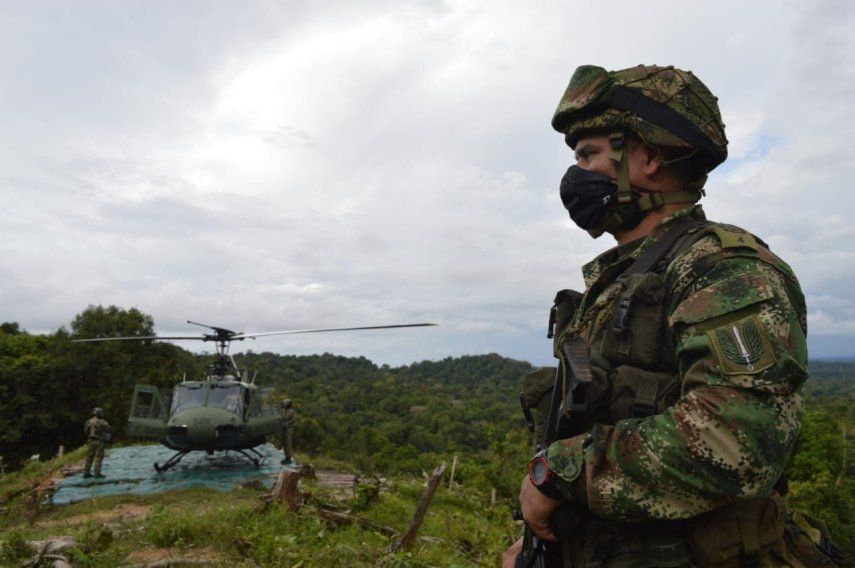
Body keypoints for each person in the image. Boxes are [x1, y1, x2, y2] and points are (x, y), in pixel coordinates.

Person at [505, 65, 812, 567]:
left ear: (647, 156)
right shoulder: (625, 278)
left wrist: (558, 471)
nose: (574, 174)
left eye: (589, 154)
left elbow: (739, 441)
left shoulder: (723, 270)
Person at [83, 407, 111, 479]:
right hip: (99, 441)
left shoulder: (88, 421)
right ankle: (97, 473)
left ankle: (86, 472)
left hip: (90, 441)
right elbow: (108, 429)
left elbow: (86, 431)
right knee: (99, 457)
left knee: (89, 457)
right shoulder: (102, 422)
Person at [279, 399, 296, 465]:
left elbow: (284, 418)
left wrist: (282, 412)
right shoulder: (287, 411)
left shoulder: (290, 411)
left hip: (288, 430)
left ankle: (288, 458)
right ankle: (287, 457)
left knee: (288, 444)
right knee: (285, 444)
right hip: (286, 429)